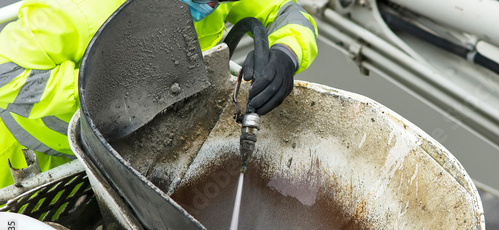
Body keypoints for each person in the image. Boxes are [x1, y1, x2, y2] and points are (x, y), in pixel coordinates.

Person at [0, 0, 318, 189]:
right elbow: (7, 77)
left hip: (122, 159)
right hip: (30, 167)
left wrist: (286, 54)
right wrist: (112, 95)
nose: (212, 6)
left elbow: (286, 11)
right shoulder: (85, 10)